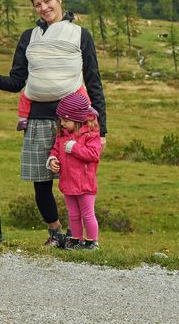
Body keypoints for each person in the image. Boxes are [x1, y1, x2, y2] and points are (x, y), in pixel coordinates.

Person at [0, 0, 107, 247]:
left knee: (76, 180)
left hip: (74, 122)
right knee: (41, 180)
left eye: (47, 1)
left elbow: (94, 82)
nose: (43, 7)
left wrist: (101, 129)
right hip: (37, 118)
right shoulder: (29, 37)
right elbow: (17, 81)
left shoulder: (80, 35)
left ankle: (78, 237)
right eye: (37, 4)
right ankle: (55, 232)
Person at [47, 90, 103, 250]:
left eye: (66, 120)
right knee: (73, 214)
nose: (62, 123)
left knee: (87, 213)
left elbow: (94, 155)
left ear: (78, 119)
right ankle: (76, 240)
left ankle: (92, 242)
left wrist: (75, 148)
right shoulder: (62, 135)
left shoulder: (91, 135)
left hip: (85, 183)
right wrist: (52, 159)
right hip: (68, 181)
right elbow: (56, 150)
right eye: (61, 120)